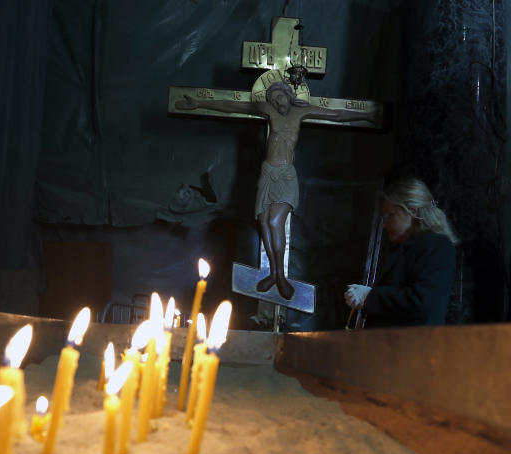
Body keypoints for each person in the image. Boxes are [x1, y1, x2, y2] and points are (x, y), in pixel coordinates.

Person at [177, 81, 378, 299]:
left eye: (279, 97)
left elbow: (336, 114)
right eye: (272, 99)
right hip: (267, 173)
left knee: (274, 221)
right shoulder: (267, 109)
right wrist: (198, 103)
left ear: (288, 94)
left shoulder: (301, 110)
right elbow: (232, 106)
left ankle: (280, 276)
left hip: (285, 175)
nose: (276, 102)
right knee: (263, 223)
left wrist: (366, 116)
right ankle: (273, 274)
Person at [344, 177, 459, 327]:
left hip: (413, 346)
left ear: (412, 211)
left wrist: (369, 297)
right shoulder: (404, 248)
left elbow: (421, 301)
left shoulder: (438, 246)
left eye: (389, 215)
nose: (384, 224)